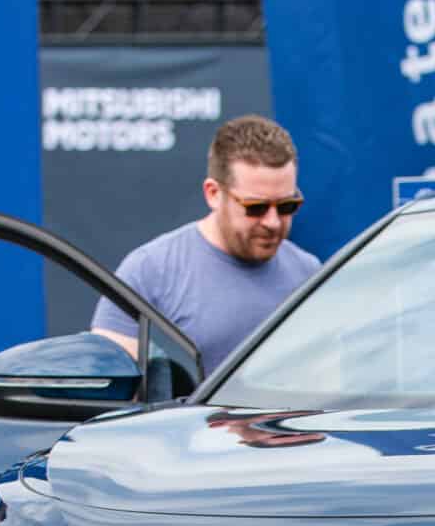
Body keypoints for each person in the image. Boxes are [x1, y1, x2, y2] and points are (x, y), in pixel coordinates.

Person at [90, 114, 321, 372]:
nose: (273, 222)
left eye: (287, 206)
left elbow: (331, 378)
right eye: (256, 207)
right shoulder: (150, 271)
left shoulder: (309, 274)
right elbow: (110, 379)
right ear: (213, 194)